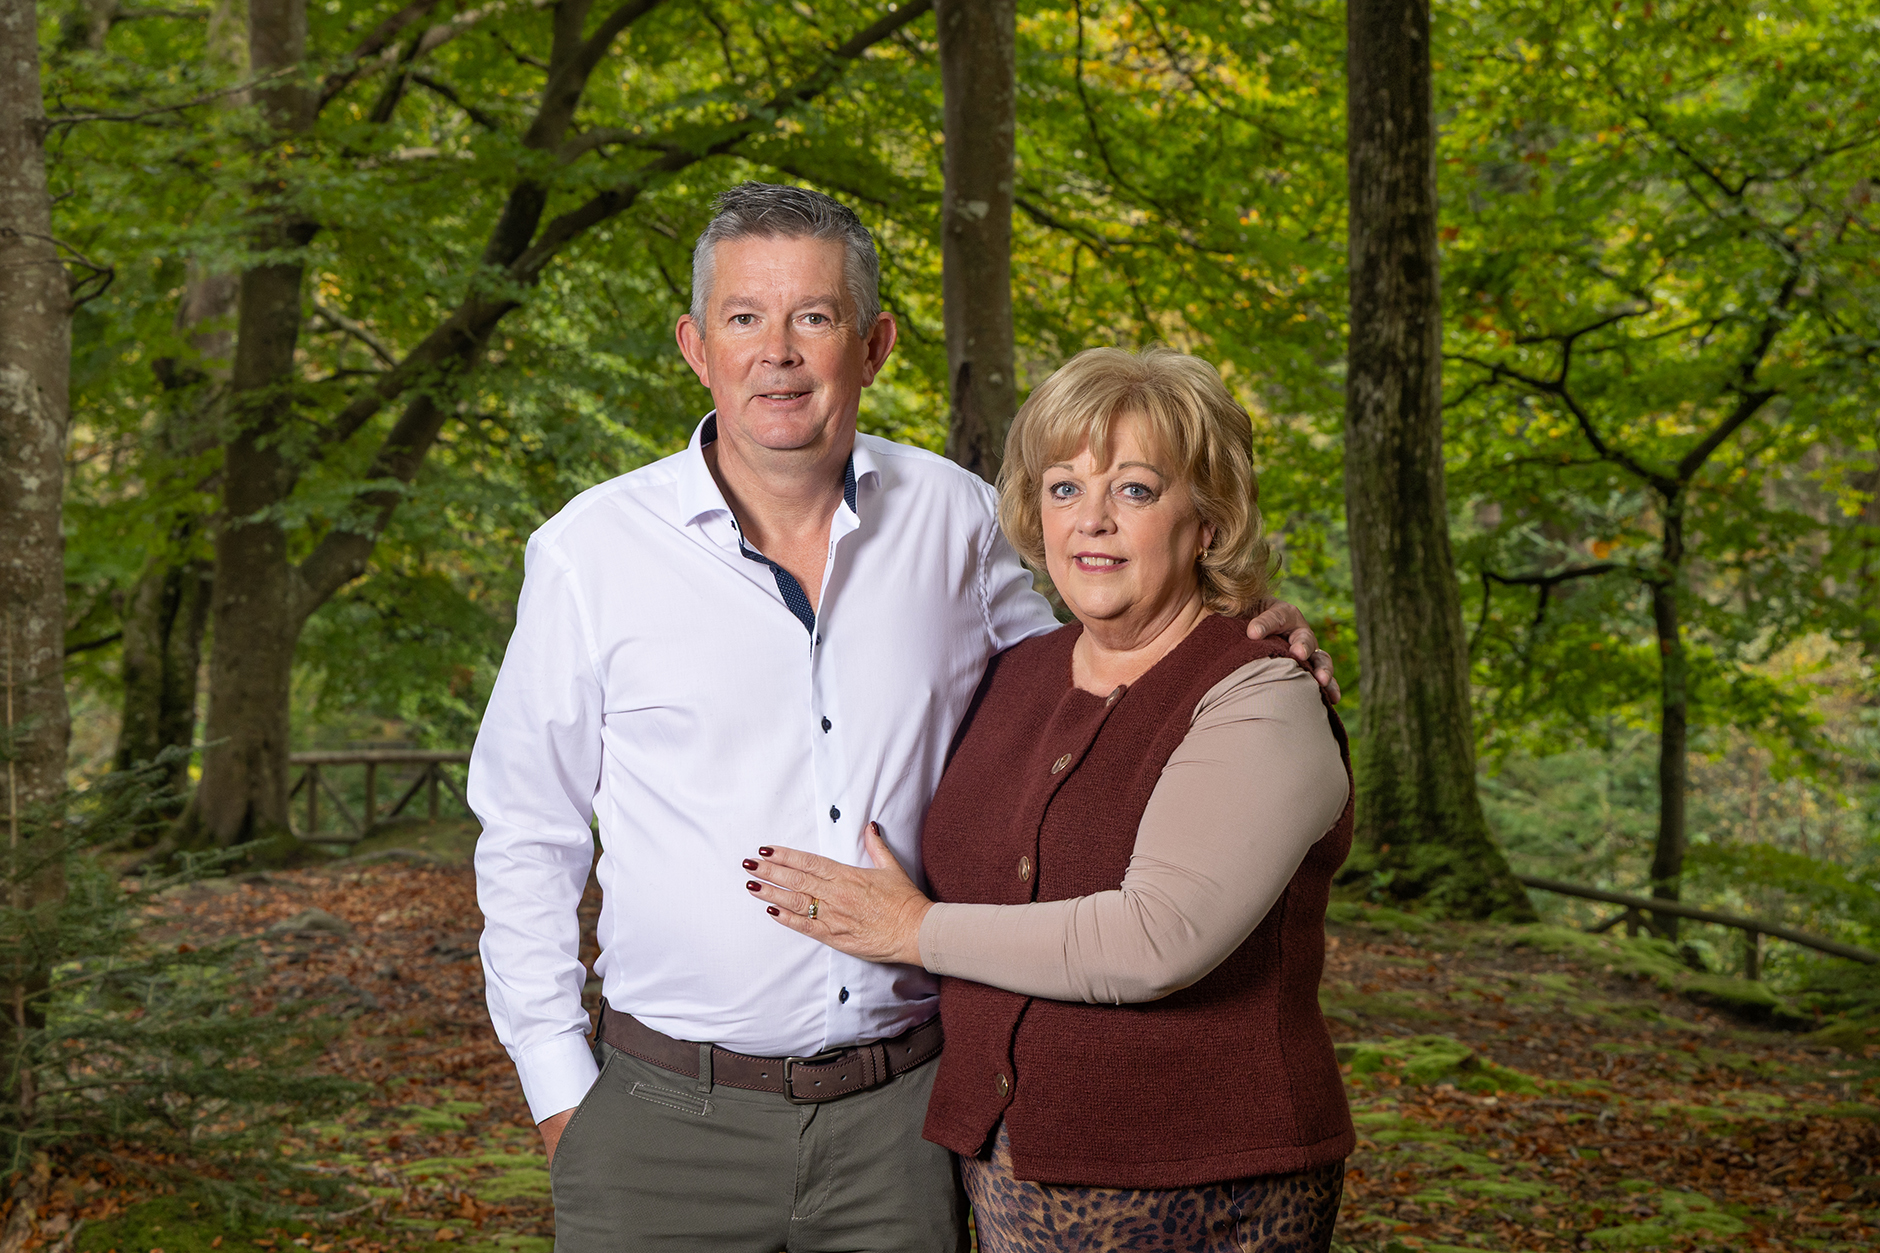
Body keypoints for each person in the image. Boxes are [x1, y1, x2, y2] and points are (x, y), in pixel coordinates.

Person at [469, 185, 1337, 1253]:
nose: (778, 352)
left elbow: (1097, 671)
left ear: (873, 344)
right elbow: (527, 832)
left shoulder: (956, 519)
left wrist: (1245, 629)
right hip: (663, 1118)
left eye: (814, 316)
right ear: (696, 347)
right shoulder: (589, 552)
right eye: (744, 317)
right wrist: (560, 1091)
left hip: (904, 1122)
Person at [747, 346, 1355, 1252]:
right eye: (1065, 488)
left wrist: (913, 930)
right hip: (1007, 1175)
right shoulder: (1017, 672)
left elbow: (1156, 938)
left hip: (1203, 1187)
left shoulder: (1260, 693)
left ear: (1208, 520)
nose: (1092, 519)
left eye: (1136, 489)